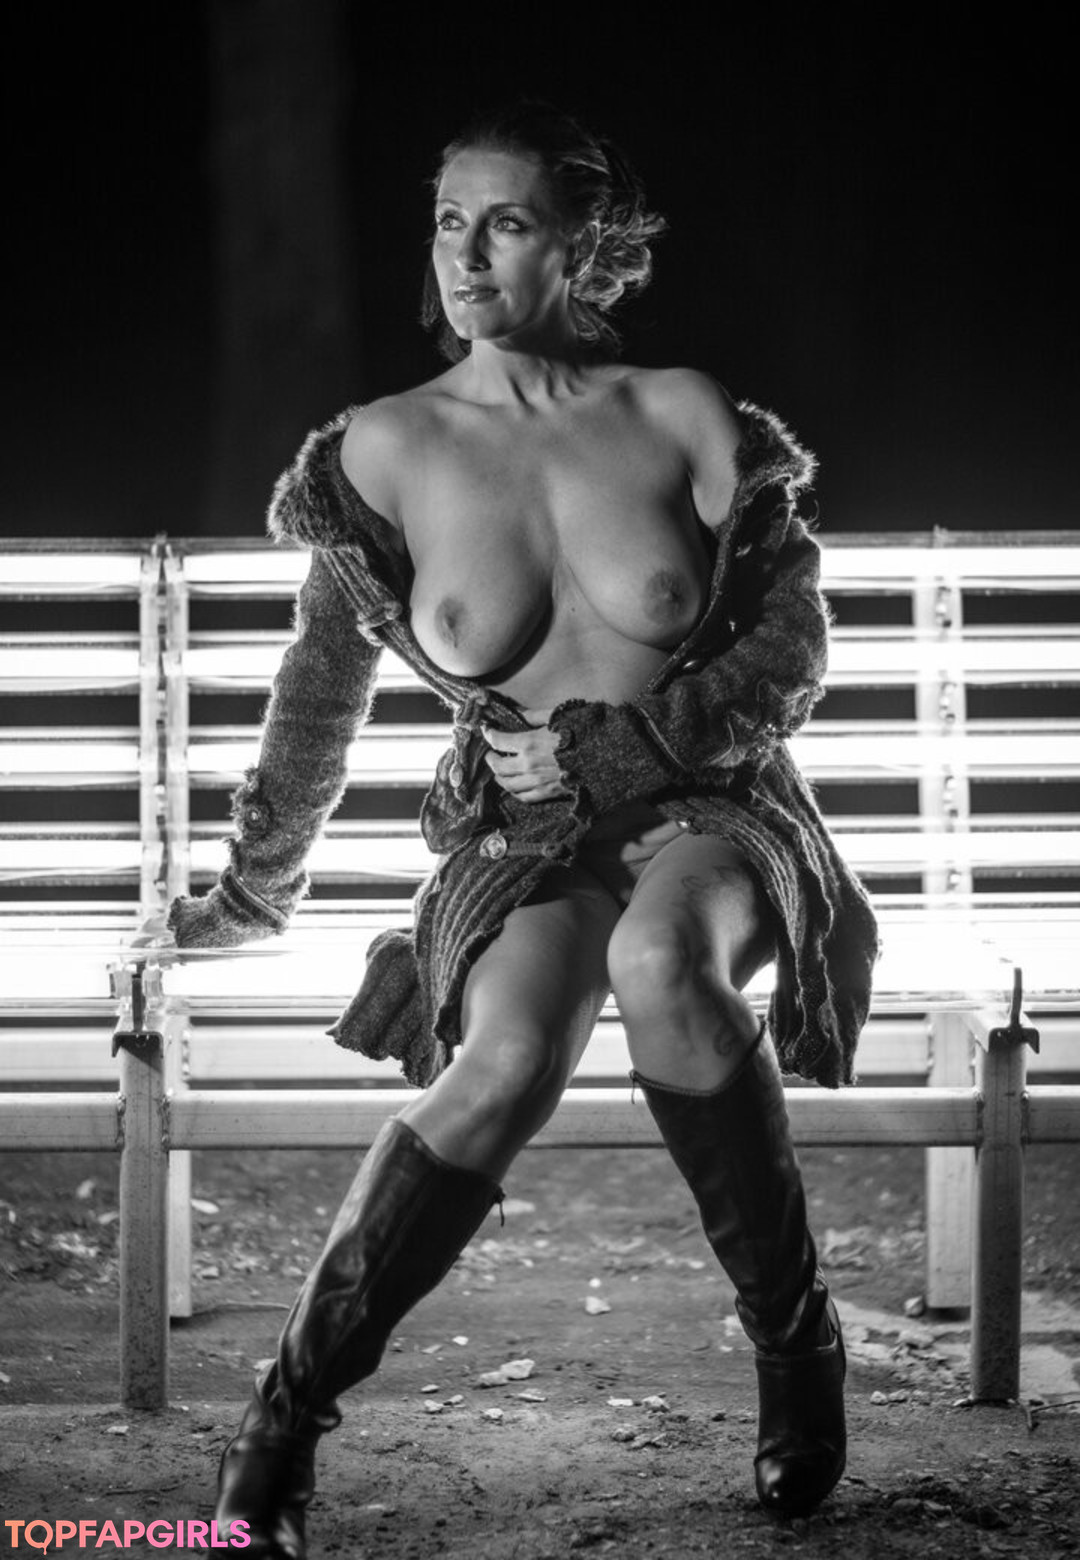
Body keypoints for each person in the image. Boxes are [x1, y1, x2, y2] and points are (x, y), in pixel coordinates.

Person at [167, 103, 879, 1557]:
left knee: (663, 965)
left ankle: (795, 1344)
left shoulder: (680, 415)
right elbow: (319, 691)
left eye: (506, 222)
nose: (467, 254)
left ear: (582, 244)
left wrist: (636, 744)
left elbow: (791, 648)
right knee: (500, 1059)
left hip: (713, 810)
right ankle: (282, 1427)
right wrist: (256, 885)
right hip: (523, 835)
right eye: (449, 222)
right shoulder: (387, 449)